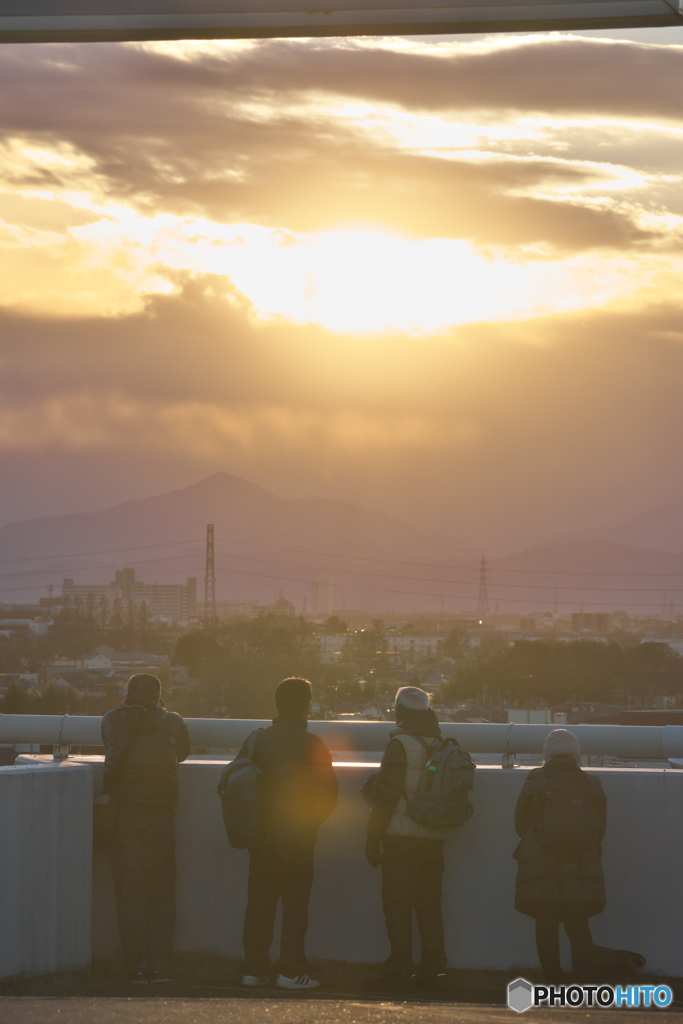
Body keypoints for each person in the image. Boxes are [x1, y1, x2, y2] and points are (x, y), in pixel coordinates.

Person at [239, 677, 338, 990]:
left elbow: (239, 786)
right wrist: (308, 825)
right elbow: (329, 794)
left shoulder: (256, 740)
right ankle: (290, 972)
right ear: (307, 706)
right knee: (295, 908)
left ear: (277, 705)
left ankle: (254, 970)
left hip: (262, 838)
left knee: (259, 905)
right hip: (297, 839)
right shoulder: (313, 744)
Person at [101, 672, 190, 984]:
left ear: (128, 693)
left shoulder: (111, 719)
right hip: (160, 815)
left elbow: (112, 751)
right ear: (159, 695)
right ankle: (161, 965)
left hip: (123, 816)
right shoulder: (174, 721)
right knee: (162, 893)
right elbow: (182, 753)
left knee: (129, 895)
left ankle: (136, 965)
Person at [365, 686, 449, 992]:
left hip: (400, 839)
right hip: (433, 838)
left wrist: (373, 838)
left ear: (399, 710)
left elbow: (386, 797)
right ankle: (436, 971)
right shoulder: (440, 743)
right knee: (429, 905)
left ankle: (400, 971)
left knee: (398, 906)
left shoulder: (399, 744)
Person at [514, 728, 606, 983]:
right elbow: (600, 829)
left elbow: (520, 824)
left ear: (547, 755)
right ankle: (585, 982)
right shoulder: (591, 783)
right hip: (579, 865)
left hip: (541, 866)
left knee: (546, 924)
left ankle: (553, 981)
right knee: (578, 924)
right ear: (576, 754)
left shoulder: (535, 780)